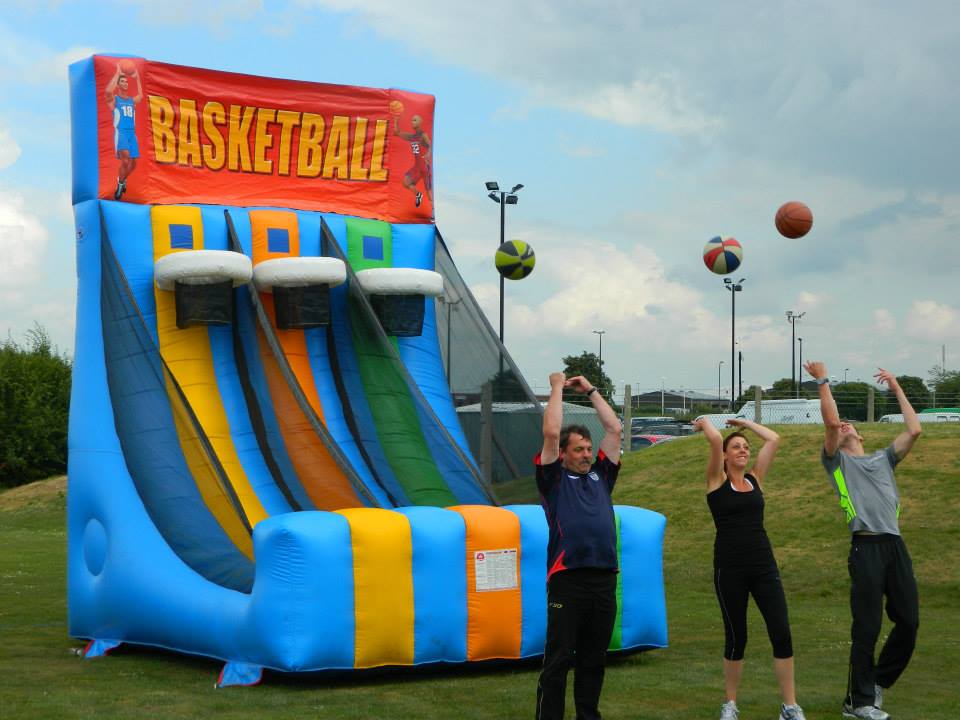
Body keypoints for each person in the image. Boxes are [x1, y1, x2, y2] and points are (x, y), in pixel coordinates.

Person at [805, 361, 921, 720]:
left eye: (848, 424)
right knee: (867, 627)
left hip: (895, 546)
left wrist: (897, 387)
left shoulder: (883, 460)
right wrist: (823, 381)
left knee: (910, 621)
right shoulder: (837, 463)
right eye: (841, 427)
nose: (844, 426)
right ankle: (857, 703)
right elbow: (829, 422)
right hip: (866, 547)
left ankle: (877, 685)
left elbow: (914, 430)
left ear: (862, 436)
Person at [691, 416, 806, 720]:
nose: (743, 450)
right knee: (736, 637)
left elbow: (774, 439)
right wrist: (703, 423)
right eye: (737, 447)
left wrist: (745, 422)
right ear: (726, 457)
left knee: (781, 633)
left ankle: (790, 706)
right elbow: (716, 440)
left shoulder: (755, 479)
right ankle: (730, 704)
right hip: (729, 569)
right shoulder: (716, 481)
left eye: (745, 447)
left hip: (763, 566)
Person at [535, 373, 622, 720]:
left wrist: (590, 391)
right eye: (579, 450)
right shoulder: (553, 479)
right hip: (568, 580)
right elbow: (551, 433)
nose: (586, 454)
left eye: (588, 449)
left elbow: (613, 429)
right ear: (565, 455)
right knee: (558, 662)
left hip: (603, 580)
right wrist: (557, 387)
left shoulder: (602, 475)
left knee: (593, 660)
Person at [105, 62, 142, 201]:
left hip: (132, 134)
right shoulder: (115, 100)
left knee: (133, 164)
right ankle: (120, 184)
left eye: (127, 81)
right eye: (123, 81)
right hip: (121, 132)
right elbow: (108, 91)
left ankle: (123, 179)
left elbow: (141, 96)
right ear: (119, 85)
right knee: (125, 160)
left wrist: (137, 79)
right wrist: (117, 74)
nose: (126, 83)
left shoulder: (131, 100)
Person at [392, 114, 432, 208]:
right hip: (417, 167)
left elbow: (430, 145)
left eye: (414, 120)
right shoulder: (412, 136)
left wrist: (428, 154)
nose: (412, 122)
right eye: (411, 120)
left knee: (429, 193)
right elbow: (396, 133)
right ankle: (418, 194)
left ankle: (431, 213)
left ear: (420, 122)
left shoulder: (423, 135)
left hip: (424, 167)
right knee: (405, 182)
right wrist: (396, 121)